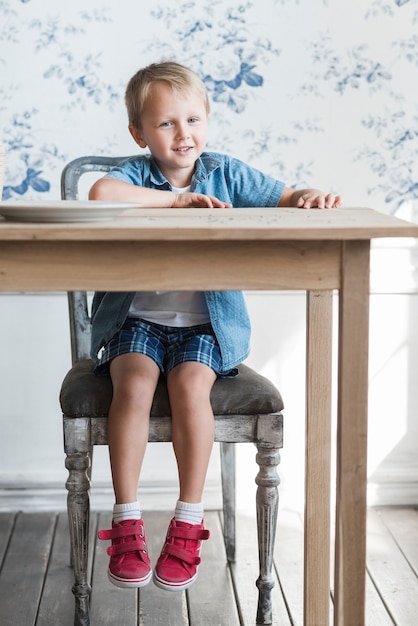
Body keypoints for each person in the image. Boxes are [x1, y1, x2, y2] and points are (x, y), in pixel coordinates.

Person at [90, 60, 342, 593]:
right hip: (137, 320)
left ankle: (187, 520)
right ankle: (127, 519)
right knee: (133, 384)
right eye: (166, 124)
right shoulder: (135, 176)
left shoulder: (226, 173)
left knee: (188, 386)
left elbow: (284, 196)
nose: (184, 134)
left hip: (207, 328)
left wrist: (307, 196)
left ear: (206, 120)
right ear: (139, 133)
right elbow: (101, 196)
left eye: (193, 120)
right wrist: (175, 200)